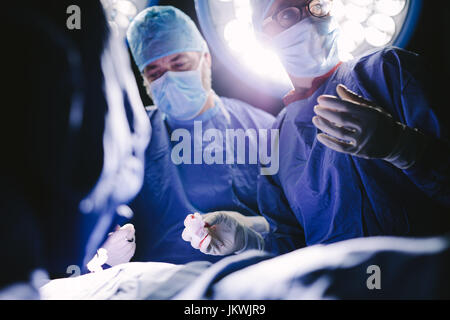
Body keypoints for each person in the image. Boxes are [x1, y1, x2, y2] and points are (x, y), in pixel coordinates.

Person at [184, 0, 450, 256]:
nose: (310, 19)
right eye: (288, 14)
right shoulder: (278, 138)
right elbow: (292, 248)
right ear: (262, 35)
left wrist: (403, 146)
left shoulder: (389, 71)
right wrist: (249, 241)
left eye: (317, 5)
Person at [126, 6, 275, 264]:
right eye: (155, 73)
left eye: (179, 63)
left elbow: (299, 222)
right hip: (164, 286)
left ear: (206, 58)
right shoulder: (133, 136)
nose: (169, 78)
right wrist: (108, 252)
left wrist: (252, 231)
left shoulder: (262, 128)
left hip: (253, 277)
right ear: (144, 81)